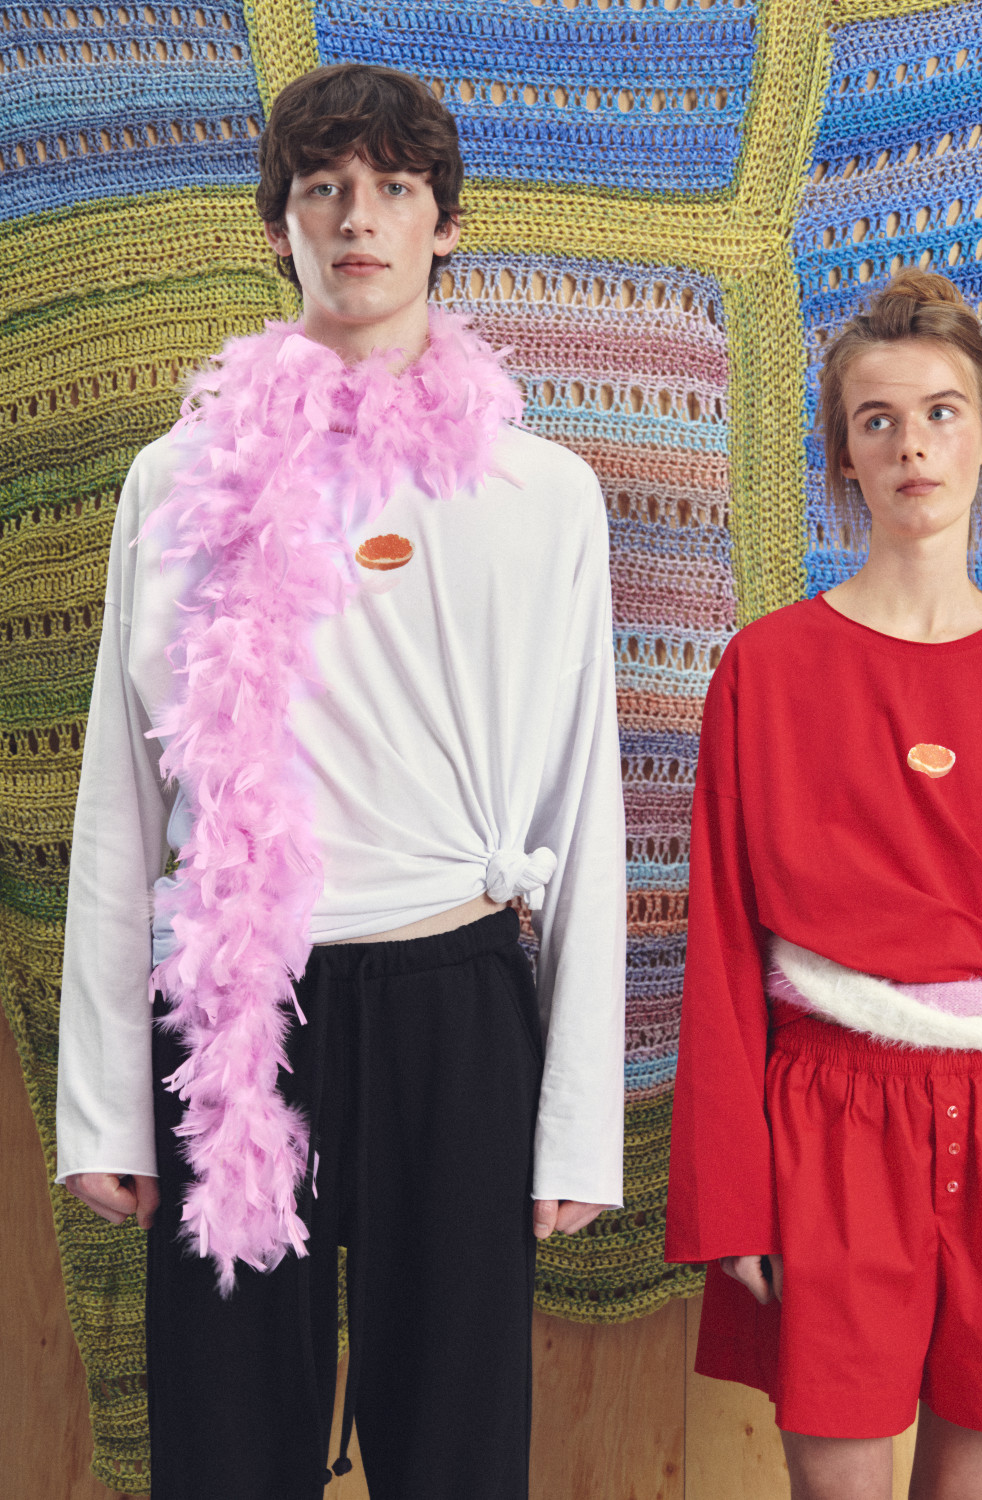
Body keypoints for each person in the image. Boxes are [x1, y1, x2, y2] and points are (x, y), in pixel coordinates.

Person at [55, 63, 626, 1500]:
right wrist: (105, 1108)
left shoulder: (544, 493)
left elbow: (584, 811)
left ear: (444, 225)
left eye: (393, 188)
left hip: (458, 1003)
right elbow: (123, 806)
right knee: (225, 1453)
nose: (358, 218)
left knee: (458, 1453)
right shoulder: (175, 480)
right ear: (280, 228)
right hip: (240, 1016)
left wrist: (577, 1123)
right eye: (323, 188)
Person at [665, 270, 982, 1500]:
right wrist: (734, 1201)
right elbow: (721, 948)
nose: (912, 446)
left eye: (941, 413)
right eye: (877, 420)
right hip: (828, 1126)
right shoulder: (766, 671)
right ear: (843, 456)